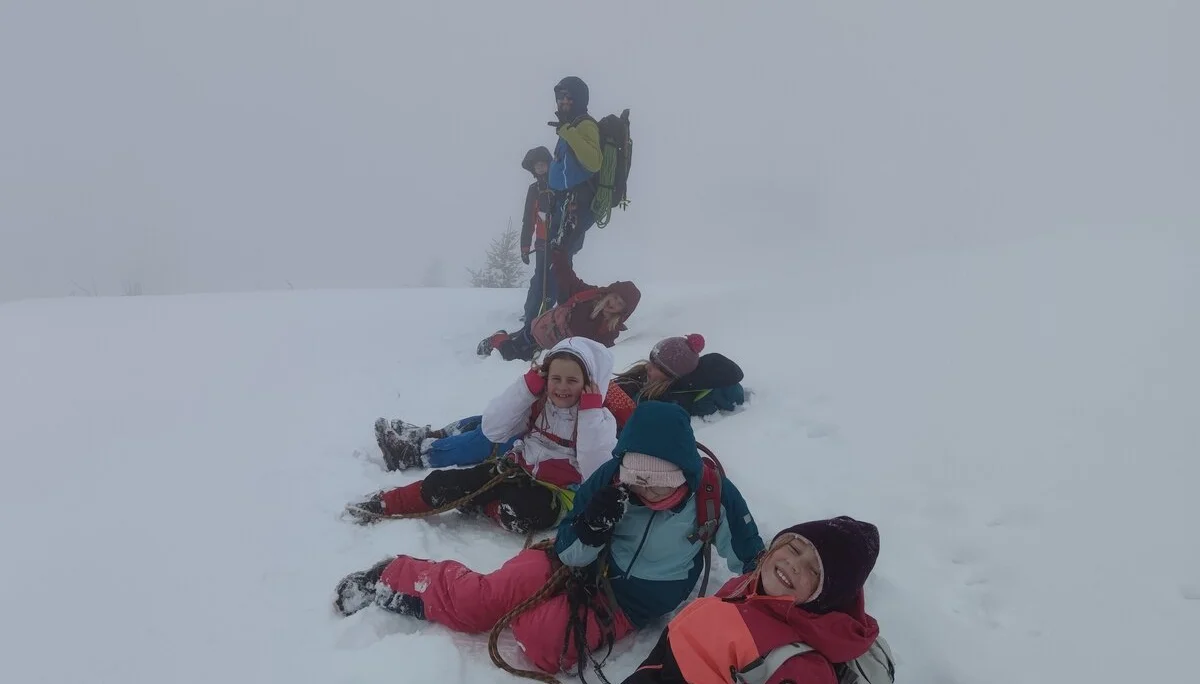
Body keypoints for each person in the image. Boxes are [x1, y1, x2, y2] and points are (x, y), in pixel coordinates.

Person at [332, 401, 765, 675]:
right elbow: (569, 549)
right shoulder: (610, 481)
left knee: (541, 642)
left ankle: (541, 611)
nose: (645, 491)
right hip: (573, 566)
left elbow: (754, 561)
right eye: (637, 478)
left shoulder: (713, 496)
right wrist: (591, 530)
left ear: (685, 473)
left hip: (629, 605)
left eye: (660, 483)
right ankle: (394, 577)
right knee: (483, 600)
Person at [346, 337, 618, 533]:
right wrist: (526, 388)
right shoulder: (537, 405)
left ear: (588, 384)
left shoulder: (599, 420)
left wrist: (591, 412)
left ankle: (481, 504)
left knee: (523, 511)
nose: (561, 388)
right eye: (555, 379)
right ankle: (386, 504)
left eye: (572, 381)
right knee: (447, 482)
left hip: (558, 495)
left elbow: (597, 470)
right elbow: (493, 429)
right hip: (519, 470)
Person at [621, 517, 885, 684]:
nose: (793, 564)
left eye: (814, 571)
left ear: (825, 596)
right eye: (794, 548)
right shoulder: (748, 587)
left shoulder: (799, 667)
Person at [478, 250, 640, 361]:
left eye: (620, 304)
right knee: (511, 355)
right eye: (615, 297)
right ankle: (497, 339)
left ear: (623, 311)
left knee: (522, 360)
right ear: (610, 293)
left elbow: (602, 351)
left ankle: (507, 341)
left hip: (554, 349)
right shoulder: (591, 295)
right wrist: (560, 257)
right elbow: (570, 279)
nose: (614, 304)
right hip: (541, 331)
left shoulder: (610, 330)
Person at [614, 334, 748, 417]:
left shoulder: (670, 400)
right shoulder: (645, 376)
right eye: (651, 361)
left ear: (672, 376)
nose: (648, 367)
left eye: (657, 367)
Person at [547, 76, 602, 268]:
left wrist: (568, 131)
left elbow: (594, 162)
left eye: (567, 96)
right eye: (559, 97)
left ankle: (565, 299)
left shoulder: (584, 125)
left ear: (578, 98)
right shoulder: (568, 126)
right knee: (555, 267)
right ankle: (559, 298)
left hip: (576, 204)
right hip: (564, 204)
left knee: (558, 266)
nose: (562, 101)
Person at [519, 146, 557, 324]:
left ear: (549, 164)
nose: (540, 168)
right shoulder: (533, 189)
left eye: (543, 164)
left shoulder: (558, 184)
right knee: (539, 278)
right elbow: (528, 220)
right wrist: (525, 247)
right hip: (542, 243)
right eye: (537, 166)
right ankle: (530, 314)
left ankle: (552, 313)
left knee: (557, 276)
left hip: (560, 241)